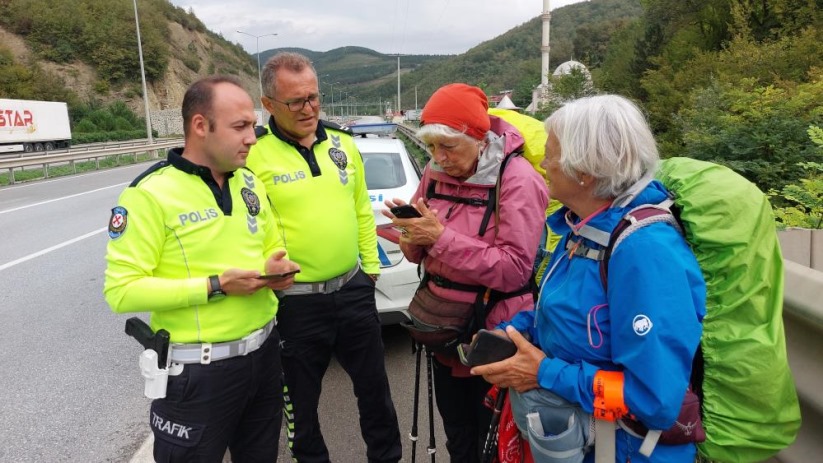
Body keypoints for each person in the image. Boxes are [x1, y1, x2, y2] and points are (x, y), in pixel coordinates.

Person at [473, 95, 706, 462]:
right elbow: (559, 309)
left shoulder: (644, 252)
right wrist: (514, 332)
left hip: (625, 450)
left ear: (584, 171)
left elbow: (654, 400)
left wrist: (545, 373)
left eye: (551, 154)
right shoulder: (583, 228)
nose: (543, 163)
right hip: (588, 443)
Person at [104, 75, 300, 462]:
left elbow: (271, 243)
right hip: (197, 374)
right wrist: (214, 286)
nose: (253, 138)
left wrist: (275, 266)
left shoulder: (249, 183)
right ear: (200, 126)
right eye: (240, 127)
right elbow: (121, 291)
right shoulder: (149, 194)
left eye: (253, 126)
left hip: (263, 358)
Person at [245, 52, 402, 463]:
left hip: (353, 289)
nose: (309, 108)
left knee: (375, 393)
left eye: (314, 97)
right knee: (301, 404)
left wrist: (369, 271)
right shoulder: (252, 156)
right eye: (296, 101)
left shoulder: (344, 144)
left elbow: (360, 212)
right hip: (294, 302)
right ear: (269, 105)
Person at [383, 83, 549, 462]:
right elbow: (415, 254)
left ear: (478, 136)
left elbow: (514, 270)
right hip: (442, 331)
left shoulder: (518, 179)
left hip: (494, 334)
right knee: (457, 434)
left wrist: (439, 238)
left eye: (449, 146)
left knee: (492, 439)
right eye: (432, 148)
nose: (440, 158)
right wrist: (410, 232)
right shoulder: (435, 171)